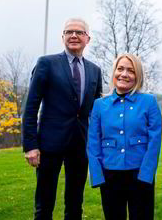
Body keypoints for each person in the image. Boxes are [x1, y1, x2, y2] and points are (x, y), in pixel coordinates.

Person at [22, 18, 103, 220]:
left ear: (88, 39)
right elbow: (31, 107)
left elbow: (96, 111)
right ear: (63, 37)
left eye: (79, 32)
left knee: (75, 204)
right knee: (44, 205)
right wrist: (30, 145)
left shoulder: (95, 70)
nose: (74, 35)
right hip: (49, 146)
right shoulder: (46, 64)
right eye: (69, 32)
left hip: (80, 146)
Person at [87, 54, 162, 220]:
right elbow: (93, 142)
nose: (124, 74)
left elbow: (154, 141)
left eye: (131, 70)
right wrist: (98, 175)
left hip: (140, 173)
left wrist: (146, 174)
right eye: (120, 69)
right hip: (110, 175)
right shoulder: (99, 105)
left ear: (138, 76)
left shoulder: (149, 102)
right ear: (114, 72)